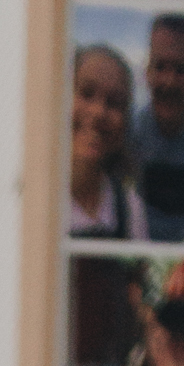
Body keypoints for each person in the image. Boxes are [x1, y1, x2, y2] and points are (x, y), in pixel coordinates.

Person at [71, 38, 149, 233]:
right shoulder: (31, 200)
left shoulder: (129, 209)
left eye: (114, 103)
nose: (99, 112)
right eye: (87, 94)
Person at [137, 9, 184, 236]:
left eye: (181, 70)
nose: (169, 81)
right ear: (147, 71)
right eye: (161, 66)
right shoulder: (125, 131)